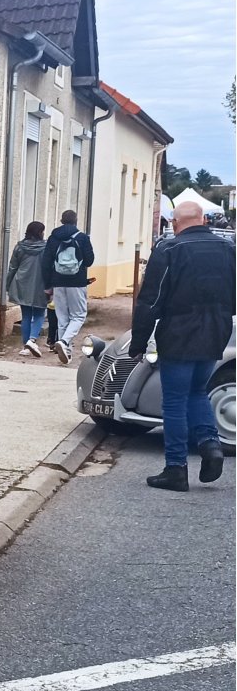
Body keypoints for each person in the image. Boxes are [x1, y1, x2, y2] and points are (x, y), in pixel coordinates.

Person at [129, 199, 237, 491]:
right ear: (204, 220)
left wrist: (138, 341)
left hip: (179, 332)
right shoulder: (229, 249)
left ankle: (175, 469)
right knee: (197, 391)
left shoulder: (169, 249)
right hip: (216, 330)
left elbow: (150, 301)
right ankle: (211, 445)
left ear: (175, 224)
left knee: (175, 401)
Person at [41, 209, 95, 364]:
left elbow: (46, 263)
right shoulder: (82, 238)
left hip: (57, 282)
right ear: (76, 221)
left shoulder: (53, 238)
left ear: (61, 221)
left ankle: (67, 352)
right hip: (77, 282)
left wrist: (47, 285)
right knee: (78, 315)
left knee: (62, 318)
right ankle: (64, 342)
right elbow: (89, 260)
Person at [5, 221, 48, 357]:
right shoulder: (46, 247)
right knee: (40, 313)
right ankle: (32, 340)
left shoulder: (20, 247)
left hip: (22, 283)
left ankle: (26, 346)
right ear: (40, 233)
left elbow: (13, 267)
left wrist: (8, 284)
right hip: (41, 284)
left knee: (26, 315)